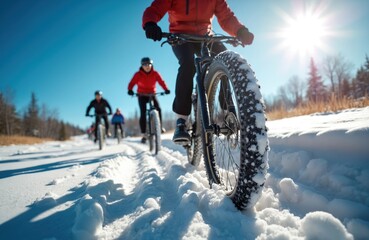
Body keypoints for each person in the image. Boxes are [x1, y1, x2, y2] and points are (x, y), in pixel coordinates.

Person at [142, 0, 254, 144]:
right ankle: (181, 121)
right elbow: (155, 9)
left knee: (225, 59)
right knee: (188, 65)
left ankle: (227, 110)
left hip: (206, 35)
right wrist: (150, 23)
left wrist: (240, 31)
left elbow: (226, 17)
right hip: (180, 36)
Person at [127, 57, 170, 143]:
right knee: (143, 112)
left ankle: (159, 127)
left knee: (158, 109)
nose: (147, 66)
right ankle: (144, 134)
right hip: (141, 95)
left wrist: (166, 89)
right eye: (144, 65)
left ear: (151, 65)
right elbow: (132, 83)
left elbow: (161, 81)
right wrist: (130, 90)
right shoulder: (138, 74)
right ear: (142, 66)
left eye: (148, 64)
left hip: (152, 94)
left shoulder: (155, 73)